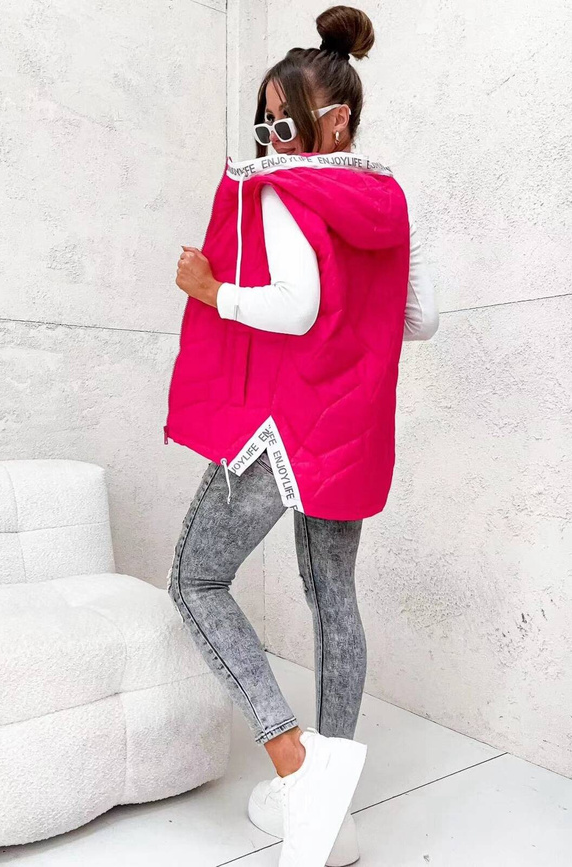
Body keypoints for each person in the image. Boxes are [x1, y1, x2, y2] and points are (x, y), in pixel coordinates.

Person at [163, 6, 438, 866]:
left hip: (283, 427)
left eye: (282, 126)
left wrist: (211, 292)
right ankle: (332, 805)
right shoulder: (392, 201)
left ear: (336, 122)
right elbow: (422, 318)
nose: (270, 143)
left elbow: (296, 307)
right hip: (349, 433)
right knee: (333, 597)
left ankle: (294, 764)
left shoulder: (287, 189)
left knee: (195, 578)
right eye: (263, 126)